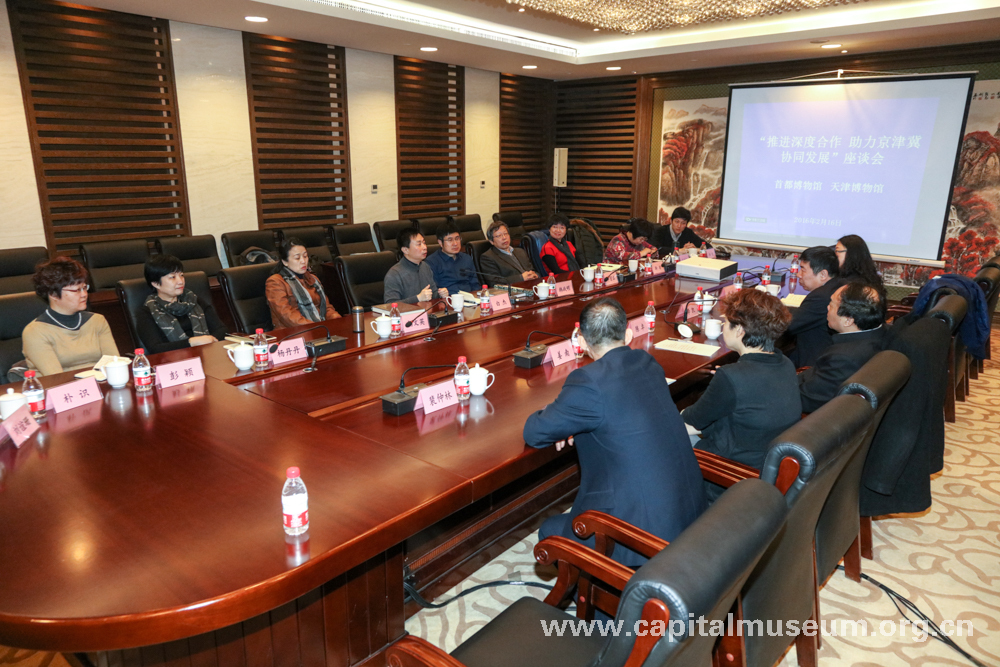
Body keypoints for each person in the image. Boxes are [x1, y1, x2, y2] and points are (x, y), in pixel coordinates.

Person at [523, 297, 706, 567]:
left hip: (641, 533)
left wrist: (560, 413)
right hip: (688, 511)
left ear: (581, 342)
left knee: (550, 532)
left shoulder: (589, 381)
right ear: (628, 335)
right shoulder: (647, 363)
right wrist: (573, 417)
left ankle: (598, 591)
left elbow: (534, 432)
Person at [683, 290, 801, 497]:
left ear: (739, 330)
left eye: (726, 322)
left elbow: (691, 424)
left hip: (730, 474)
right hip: (766, 464)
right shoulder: (785, 363)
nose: (723, 327)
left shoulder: (733, 377)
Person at [799, 281, 888, 413]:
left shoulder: (842, 359)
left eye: (831, 305)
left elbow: (807, 401)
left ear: (848, 320)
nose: (827, 308)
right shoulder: (880, 333)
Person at [22, 256, 119, 376]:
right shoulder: (35, 332)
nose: (84, 294)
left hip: (101, 382)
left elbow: (114, 364)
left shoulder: (97, 321)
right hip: (61, 386)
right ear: (53, 294)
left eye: (84, 288)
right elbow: (57, 377)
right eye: (77, 290)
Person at [136, 255, 227, 354]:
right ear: (155, 283)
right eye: (172, 277)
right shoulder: (146, 312)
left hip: (207, 354)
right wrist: (191, 342)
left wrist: (209, 340)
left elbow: (221, 329)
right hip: (173, 360)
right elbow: (155, 348)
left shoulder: (194, 301)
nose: (180, 281)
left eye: (181, 275)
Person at [265, 238, 341, 329]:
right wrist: (315, 327)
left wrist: (337, 320)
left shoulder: (313, 279)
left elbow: (327, 308)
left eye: (305, 256)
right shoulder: (275, 282)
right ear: (285, 262)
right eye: (297, 258)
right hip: (292, 332)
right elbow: (287, 316)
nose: (303, 261)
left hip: (319, 328)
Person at [786, 246, 844, 367]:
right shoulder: (838, 285)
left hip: (812, 364)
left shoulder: (821, 297)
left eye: (803, 269)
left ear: (823, 274)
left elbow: (788, 325)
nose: (798, 275)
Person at [383, 228, 449, 304]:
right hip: (410, 312)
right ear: (405, 250)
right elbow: (390, 304)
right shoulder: (394, 274)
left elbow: (432, 294)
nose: (425, 247)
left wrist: (440, 294)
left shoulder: (425, 266)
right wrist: (418, 298)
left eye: (424, 243)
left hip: (427, 310)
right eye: (419, 244)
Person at [423, 220, 480, 295]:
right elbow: (434, 291)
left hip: (470, 298)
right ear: (440, 242)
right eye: (450, 240)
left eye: (457, 238)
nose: (455, 243)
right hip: (447, 300)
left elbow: (475, 285)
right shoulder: (431, 262)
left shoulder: (466, 259)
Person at [480, 220, 538, 286]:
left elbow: (534, 271)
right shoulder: (488, 257)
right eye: (499, 236)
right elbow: (495, 282)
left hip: (532, 286)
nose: (504, 238)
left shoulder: (520, 251)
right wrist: (521, 278)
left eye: (505, 234)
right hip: (513, 289)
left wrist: (535, 275)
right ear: (491, 241)